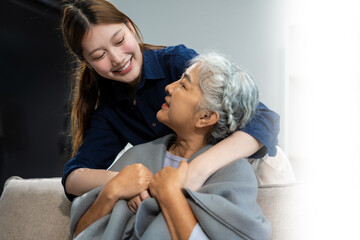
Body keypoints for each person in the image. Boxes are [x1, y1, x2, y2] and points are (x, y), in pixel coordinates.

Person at [61, 0, 280, 205]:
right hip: (177, 190)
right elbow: (74, 178)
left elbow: (264, 119)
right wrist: (125, 182)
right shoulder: (110, 110)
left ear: (130, 27)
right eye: (99, 55)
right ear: (87, 63)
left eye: (119, 41)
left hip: (246, 170)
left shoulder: (176, 63)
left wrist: (197, 170)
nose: (117, 58)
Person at [70, 52, 271, 239]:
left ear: (205, 117)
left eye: (184, 85)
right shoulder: (137, 156)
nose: (169, 87)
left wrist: (170, 195)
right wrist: (111, 190)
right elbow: (80, 234)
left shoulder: (234, 174)